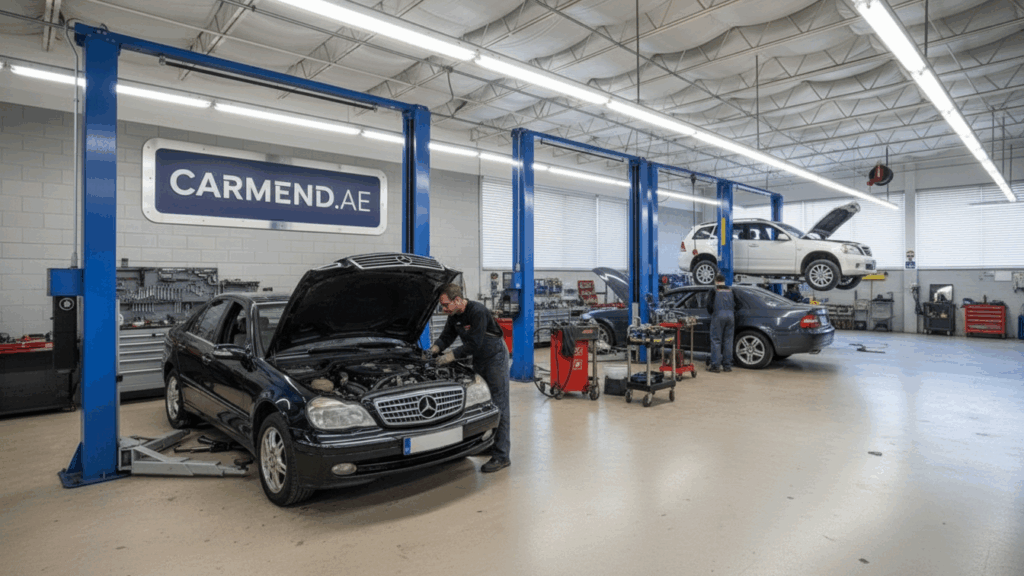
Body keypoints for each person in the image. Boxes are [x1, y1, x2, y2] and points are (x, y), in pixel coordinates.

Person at [429, 284, 511, 473]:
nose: (444, 309)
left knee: (500, 404)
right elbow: (446, 337)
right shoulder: (454, 316)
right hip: (480, 359)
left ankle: (502, 455)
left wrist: (450, 356)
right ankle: (489, 444)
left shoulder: (477, 311)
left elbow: (474, 342)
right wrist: (434, 350)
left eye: (446, 304)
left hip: (495, 358)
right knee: (483, 403)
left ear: (457, 300)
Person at [705, 273, 741, 373]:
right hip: (730, 317)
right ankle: (727, 366)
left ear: (716, 282)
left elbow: (709, 305)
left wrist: (714, 313)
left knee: (716, 341)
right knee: (728, 341)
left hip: (718, 316)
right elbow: (739, 304)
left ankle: (715, 366)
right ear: (724, 281)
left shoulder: (714, 290)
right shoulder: (731, 290)